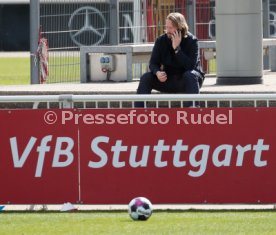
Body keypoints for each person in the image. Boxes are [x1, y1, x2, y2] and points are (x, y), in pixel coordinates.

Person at [136, 12, 204, 107]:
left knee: (189, 75)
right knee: (146, 77)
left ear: (180, 28)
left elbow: (190, 66)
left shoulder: (192, 41)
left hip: (188, 80)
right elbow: (153, 63)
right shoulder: (161, 40)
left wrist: (177, 49)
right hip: (168, 79)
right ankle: (138, 112)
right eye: (166, 27)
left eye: (171, 28)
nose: (167, 30)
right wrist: (157, 72)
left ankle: (193, 111)